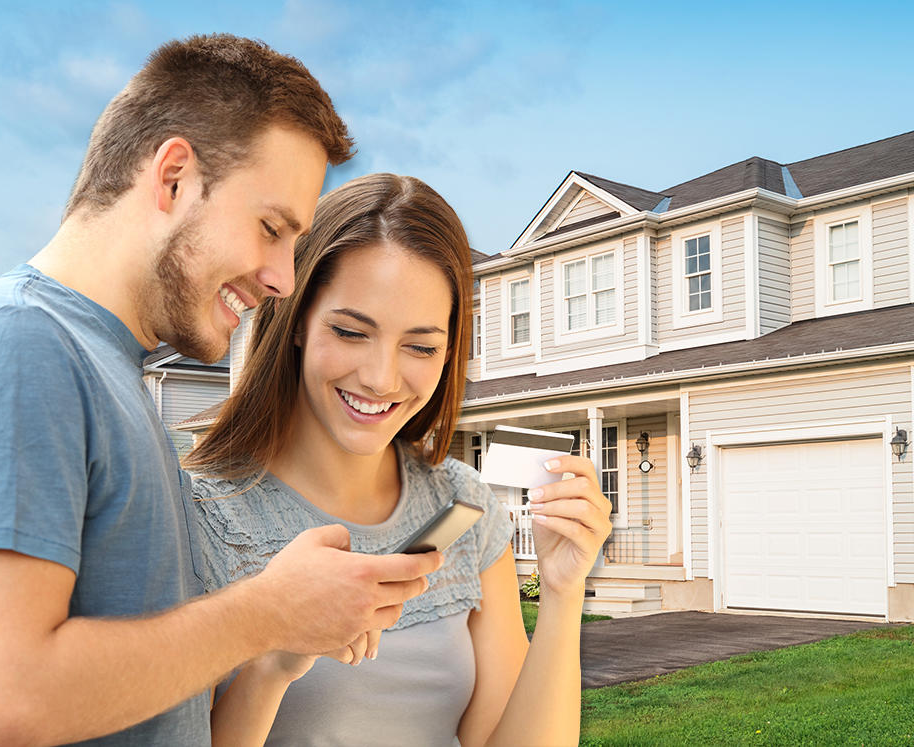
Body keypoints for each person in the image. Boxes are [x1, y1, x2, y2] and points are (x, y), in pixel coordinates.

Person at [0, 36, 441, 746]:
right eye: (270, 228)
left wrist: (271, 653)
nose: (283, 277)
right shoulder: (18, 346)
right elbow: (15, 700)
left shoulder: (104, 372)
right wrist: (267, 610)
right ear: (172, 179)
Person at [186, 172, 613, 746]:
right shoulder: (199, 516)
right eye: (350, 332)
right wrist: (270, 658)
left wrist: (561, 593)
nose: (382, 378)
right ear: (296, 323)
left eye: (419, 346)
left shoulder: (462, 508)